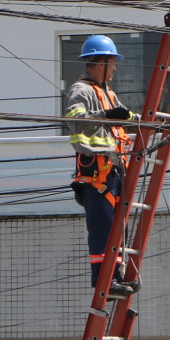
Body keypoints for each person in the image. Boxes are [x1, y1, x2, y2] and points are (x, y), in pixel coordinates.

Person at [64, 35, 136, 296]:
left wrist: (154, 121)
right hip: (96, 172)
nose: (115, 68)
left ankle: (115, 276)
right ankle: (103, 281)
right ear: (100, 62)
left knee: (118, 227)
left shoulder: (108, 93)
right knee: (103, 227)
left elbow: (127, 117)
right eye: (112, 63)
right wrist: (105, 116)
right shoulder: (80, 91)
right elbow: (76, 121)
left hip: (114, 170)